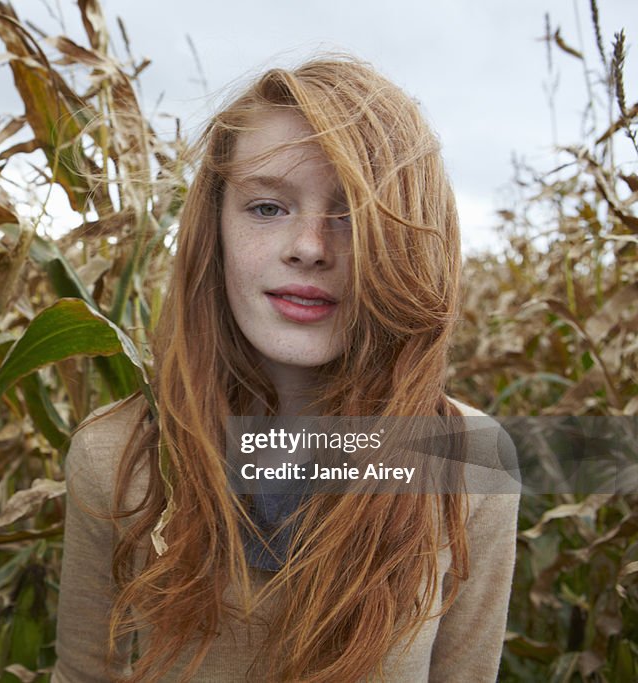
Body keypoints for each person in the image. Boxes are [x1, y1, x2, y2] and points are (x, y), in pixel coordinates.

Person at [52, 57, 520, 682]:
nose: (309, 245)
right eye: (268, 207)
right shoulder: (115, 457)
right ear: (213, 230)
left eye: (353, 214)